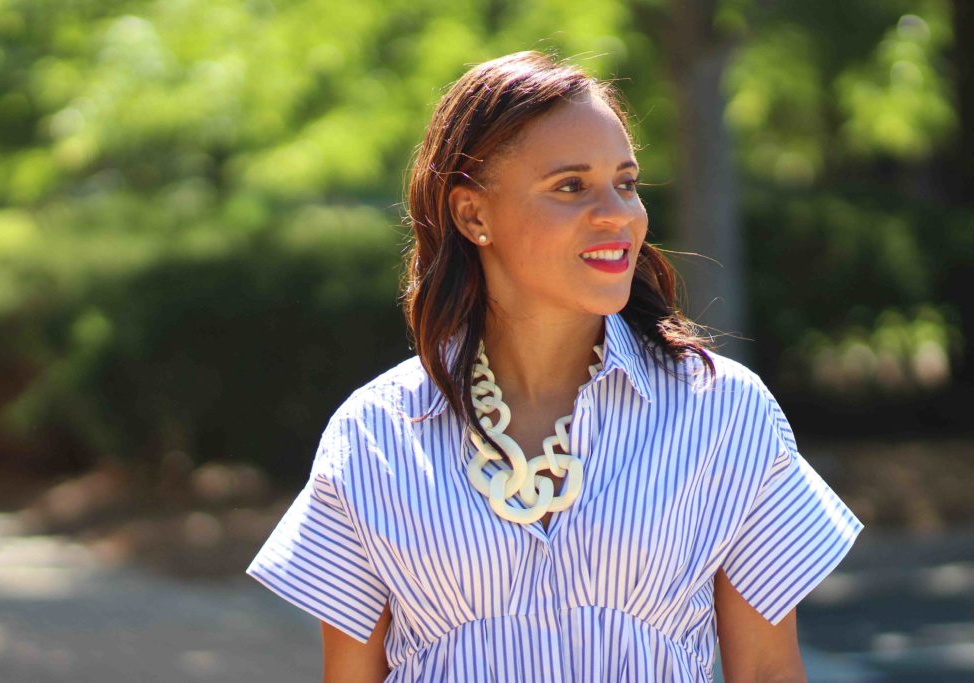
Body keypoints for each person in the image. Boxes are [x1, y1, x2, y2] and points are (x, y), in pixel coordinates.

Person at [247, 50, 864, 682]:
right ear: (473, 215)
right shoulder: (372, 434)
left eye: (626, 183)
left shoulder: (726, 411)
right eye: (571, 186)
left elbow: (766, 672)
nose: (618, 213)